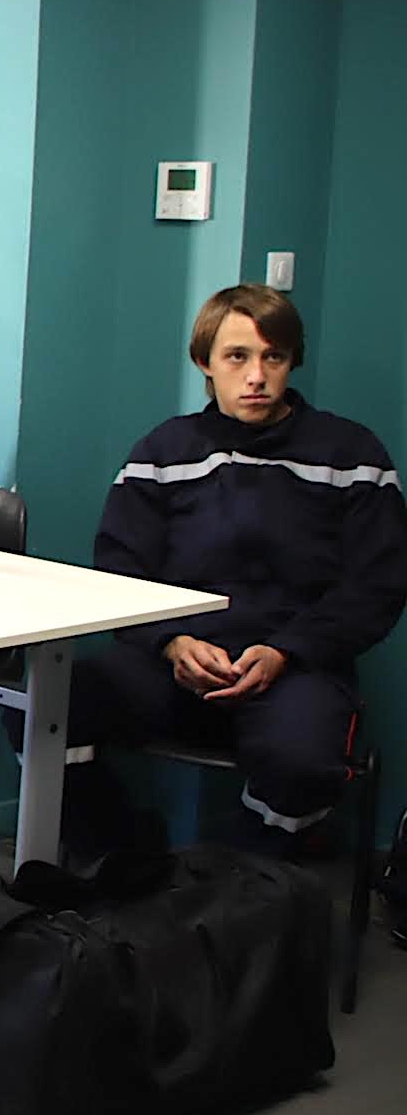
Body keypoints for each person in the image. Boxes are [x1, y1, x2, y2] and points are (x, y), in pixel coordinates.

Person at [56, 285, 405, 857]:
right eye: (237, 357)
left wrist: (286, 650)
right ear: (205, 364)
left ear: (293, 362)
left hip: (296, 669)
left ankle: (243, 892)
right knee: (46, 705)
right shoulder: (162, 452)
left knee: (302, 765)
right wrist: (171, 642)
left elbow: (378, 584)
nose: (257, 376)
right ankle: (119, 846)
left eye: (274, 357)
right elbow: (120, 568)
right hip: (175, 662)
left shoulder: (353, 455)